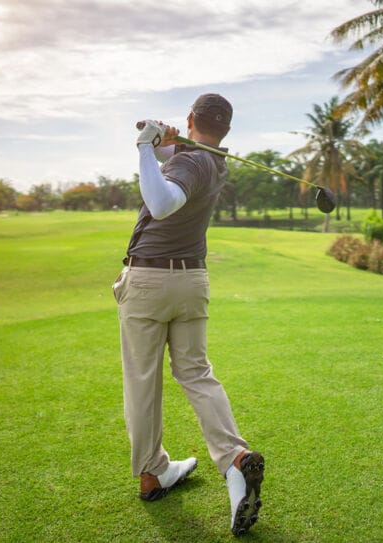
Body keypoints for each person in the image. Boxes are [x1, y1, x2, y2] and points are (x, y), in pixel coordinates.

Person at [112, 93, 264, 536]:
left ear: (191, 117)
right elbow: (175, 158)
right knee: (196, 373)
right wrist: (159, 139)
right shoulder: (213, 160)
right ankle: (234, 460)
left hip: (149, 283)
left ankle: (151, 472)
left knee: (143, 380)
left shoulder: (190, 164)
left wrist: (145, 148)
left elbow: (161, 202)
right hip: (191, 281)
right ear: (227, 131)